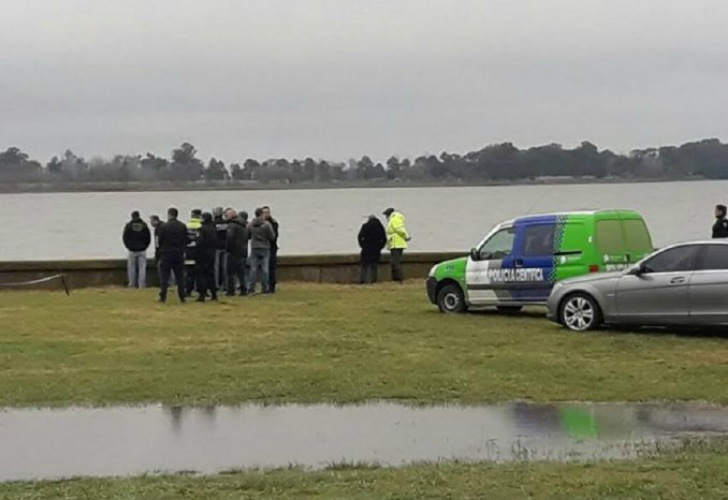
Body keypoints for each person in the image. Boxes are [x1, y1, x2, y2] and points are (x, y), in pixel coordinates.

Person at [157, 207, 188, 303]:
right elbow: (185, 239)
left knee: (164, 277)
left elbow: (159, 241)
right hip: (178, 253)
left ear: (169, 214)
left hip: (166, 253)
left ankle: (163, 296)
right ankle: (182, 296)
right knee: (180, 276)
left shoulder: (163, 227)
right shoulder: (182, 226)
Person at [248, 207, 276, 294]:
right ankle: (265, 288)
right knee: (265, 269)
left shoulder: (251, 224)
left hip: (254, 247)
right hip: (265, 247)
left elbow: (248, 234)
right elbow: (272, 237)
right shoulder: (266, 224)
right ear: (261, 214)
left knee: (253, 269)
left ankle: (251, 287)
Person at [122, 210, 151, 288]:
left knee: (131, 268)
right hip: (142, 250)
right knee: (142, 268)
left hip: (132, 250)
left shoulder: (128, 226)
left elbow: (125, 238)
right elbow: (148, 238)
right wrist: (145, 247)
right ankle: (142, 284)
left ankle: (132, 284)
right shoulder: (144, 225)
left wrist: (129, 246)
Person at [194, 212, 218, 302]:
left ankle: (202, 294)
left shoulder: (201, 229)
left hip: (202, 255)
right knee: (210, 275)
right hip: (211, 254)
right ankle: (214, 294)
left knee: (201, 275)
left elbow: (199, 242)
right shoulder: (213, 229)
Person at [225, 209, 249, 296]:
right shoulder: (244, 225)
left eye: (226, 215)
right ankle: (243, 290)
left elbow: (229, 238)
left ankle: (231, 291)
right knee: (241, 272)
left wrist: (227, 248)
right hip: (243, 250)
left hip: (233, 251)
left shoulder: (232, 225)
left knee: (230, 272)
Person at [357, 215, 387, 284]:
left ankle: (362, 280)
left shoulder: (365, 226)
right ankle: (373, 280)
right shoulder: (380, 227)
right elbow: (384, 239)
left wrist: (362, 245)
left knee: (364, 265)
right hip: (376, 249)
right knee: (374, 266)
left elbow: (360, 237)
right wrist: (380, 247)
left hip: (366, 248)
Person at [383, 207, 410, 282]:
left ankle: (399, 278)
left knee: (395, 262)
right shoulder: (393, 219)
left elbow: (400, 229)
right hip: (394, 243)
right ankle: (396, 278)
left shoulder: (395, 219)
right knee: (394, 262)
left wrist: (406, 237)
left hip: (397, 243)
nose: (386, 217)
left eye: (386, 215)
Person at [261, 206, 279, 293]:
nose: (266, 214)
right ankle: (265, 286)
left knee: (271, 267)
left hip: (271, 248)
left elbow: (274, 237)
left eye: (267, 212)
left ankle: (272, 286)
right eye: (264, 212)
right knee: (264, 268)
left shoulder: (273, 223)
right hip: (263, 247)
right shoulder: (259, 223)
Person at [185, 209, 203, 297]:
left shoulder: (187, 226)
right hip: (199, 252)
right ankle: (200, 290)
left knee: (189, 273)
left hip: (189, 251)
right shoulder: (201, 226)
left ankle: (188, 290)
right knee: (200, 273)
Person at [213, 207, 229, 291]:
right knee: (225, 267)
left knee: (216, 267)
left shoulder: (213, 223)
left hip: (216, 247)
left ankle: (216, 285)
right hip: (225, 246)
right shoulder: (226, 223)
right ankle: (225, 285)